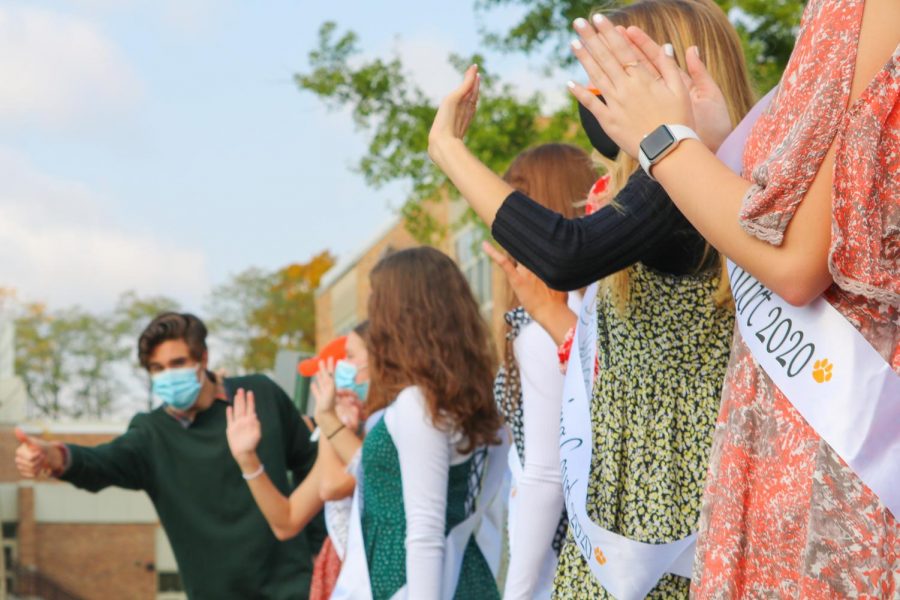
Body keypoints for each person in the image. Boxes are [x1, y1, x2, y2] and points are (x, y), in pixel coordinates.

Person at [566, 0, 899, 596]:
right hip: (793, 447)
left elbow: (796, 263)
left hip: (836, 462)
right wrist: (726, 147)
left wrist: (662, 141)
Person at [428, 1, 754, 597]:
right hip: (640, 482)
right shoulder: (688, 177)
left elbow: (565, 253)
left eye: (617, 76)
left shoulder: (689, 178)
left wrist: (449, 150)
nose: (599, 101)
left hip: (667, 498)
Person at [13, 312, 325, 599]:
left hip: (295, 591)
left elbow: (314, 465)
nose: (168, 375)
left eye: (178, 363)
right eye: (157, 368)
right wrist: (54, 456)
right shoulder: (151, 435)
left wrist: (317, 547)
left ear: (203, 359)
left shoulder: (260, 394)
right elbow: (101, 462)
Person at [332, 246, 506, 600]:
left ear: (401, 315)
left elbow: (424, 531)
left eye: (377, 303)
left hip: (410, 583)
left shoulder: (418, 403)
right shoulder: (479, 395)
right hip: (459, 572)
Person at [491, 143, 594, 600]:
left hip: (560, 560)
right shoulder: (587, 310)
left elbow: (545, 473)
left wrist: (516, 591)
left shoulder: (542, 329)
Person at [226, 323, 370, 600]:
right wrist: (247, 459)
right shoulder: (348, 427)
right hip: (343, 578)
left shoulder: (386, 425)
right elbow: (287, 521)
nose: (337, 370)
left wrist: (328, 421)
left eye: (349, 357)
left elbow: (333, 487)